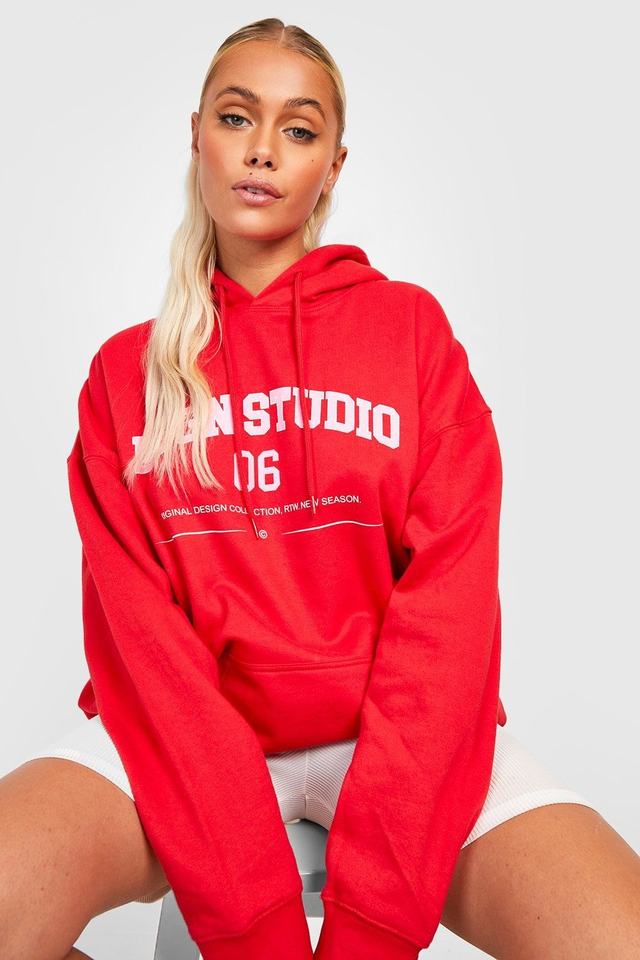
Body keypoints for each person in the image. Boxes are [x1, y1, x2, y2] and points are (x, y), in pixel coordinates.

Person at [2, 16, 639, 960]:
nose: (262, 149)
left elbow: (451, 609)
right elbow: (144, 644)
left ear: (333, 166)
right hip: (185, 737)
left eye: (298, 129)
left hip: (398, 736)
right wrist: (253, 921)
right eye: (236, 117)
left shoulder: (410, 334)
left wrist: (373, 921)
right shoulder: (123, 375)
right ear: (196, 136)